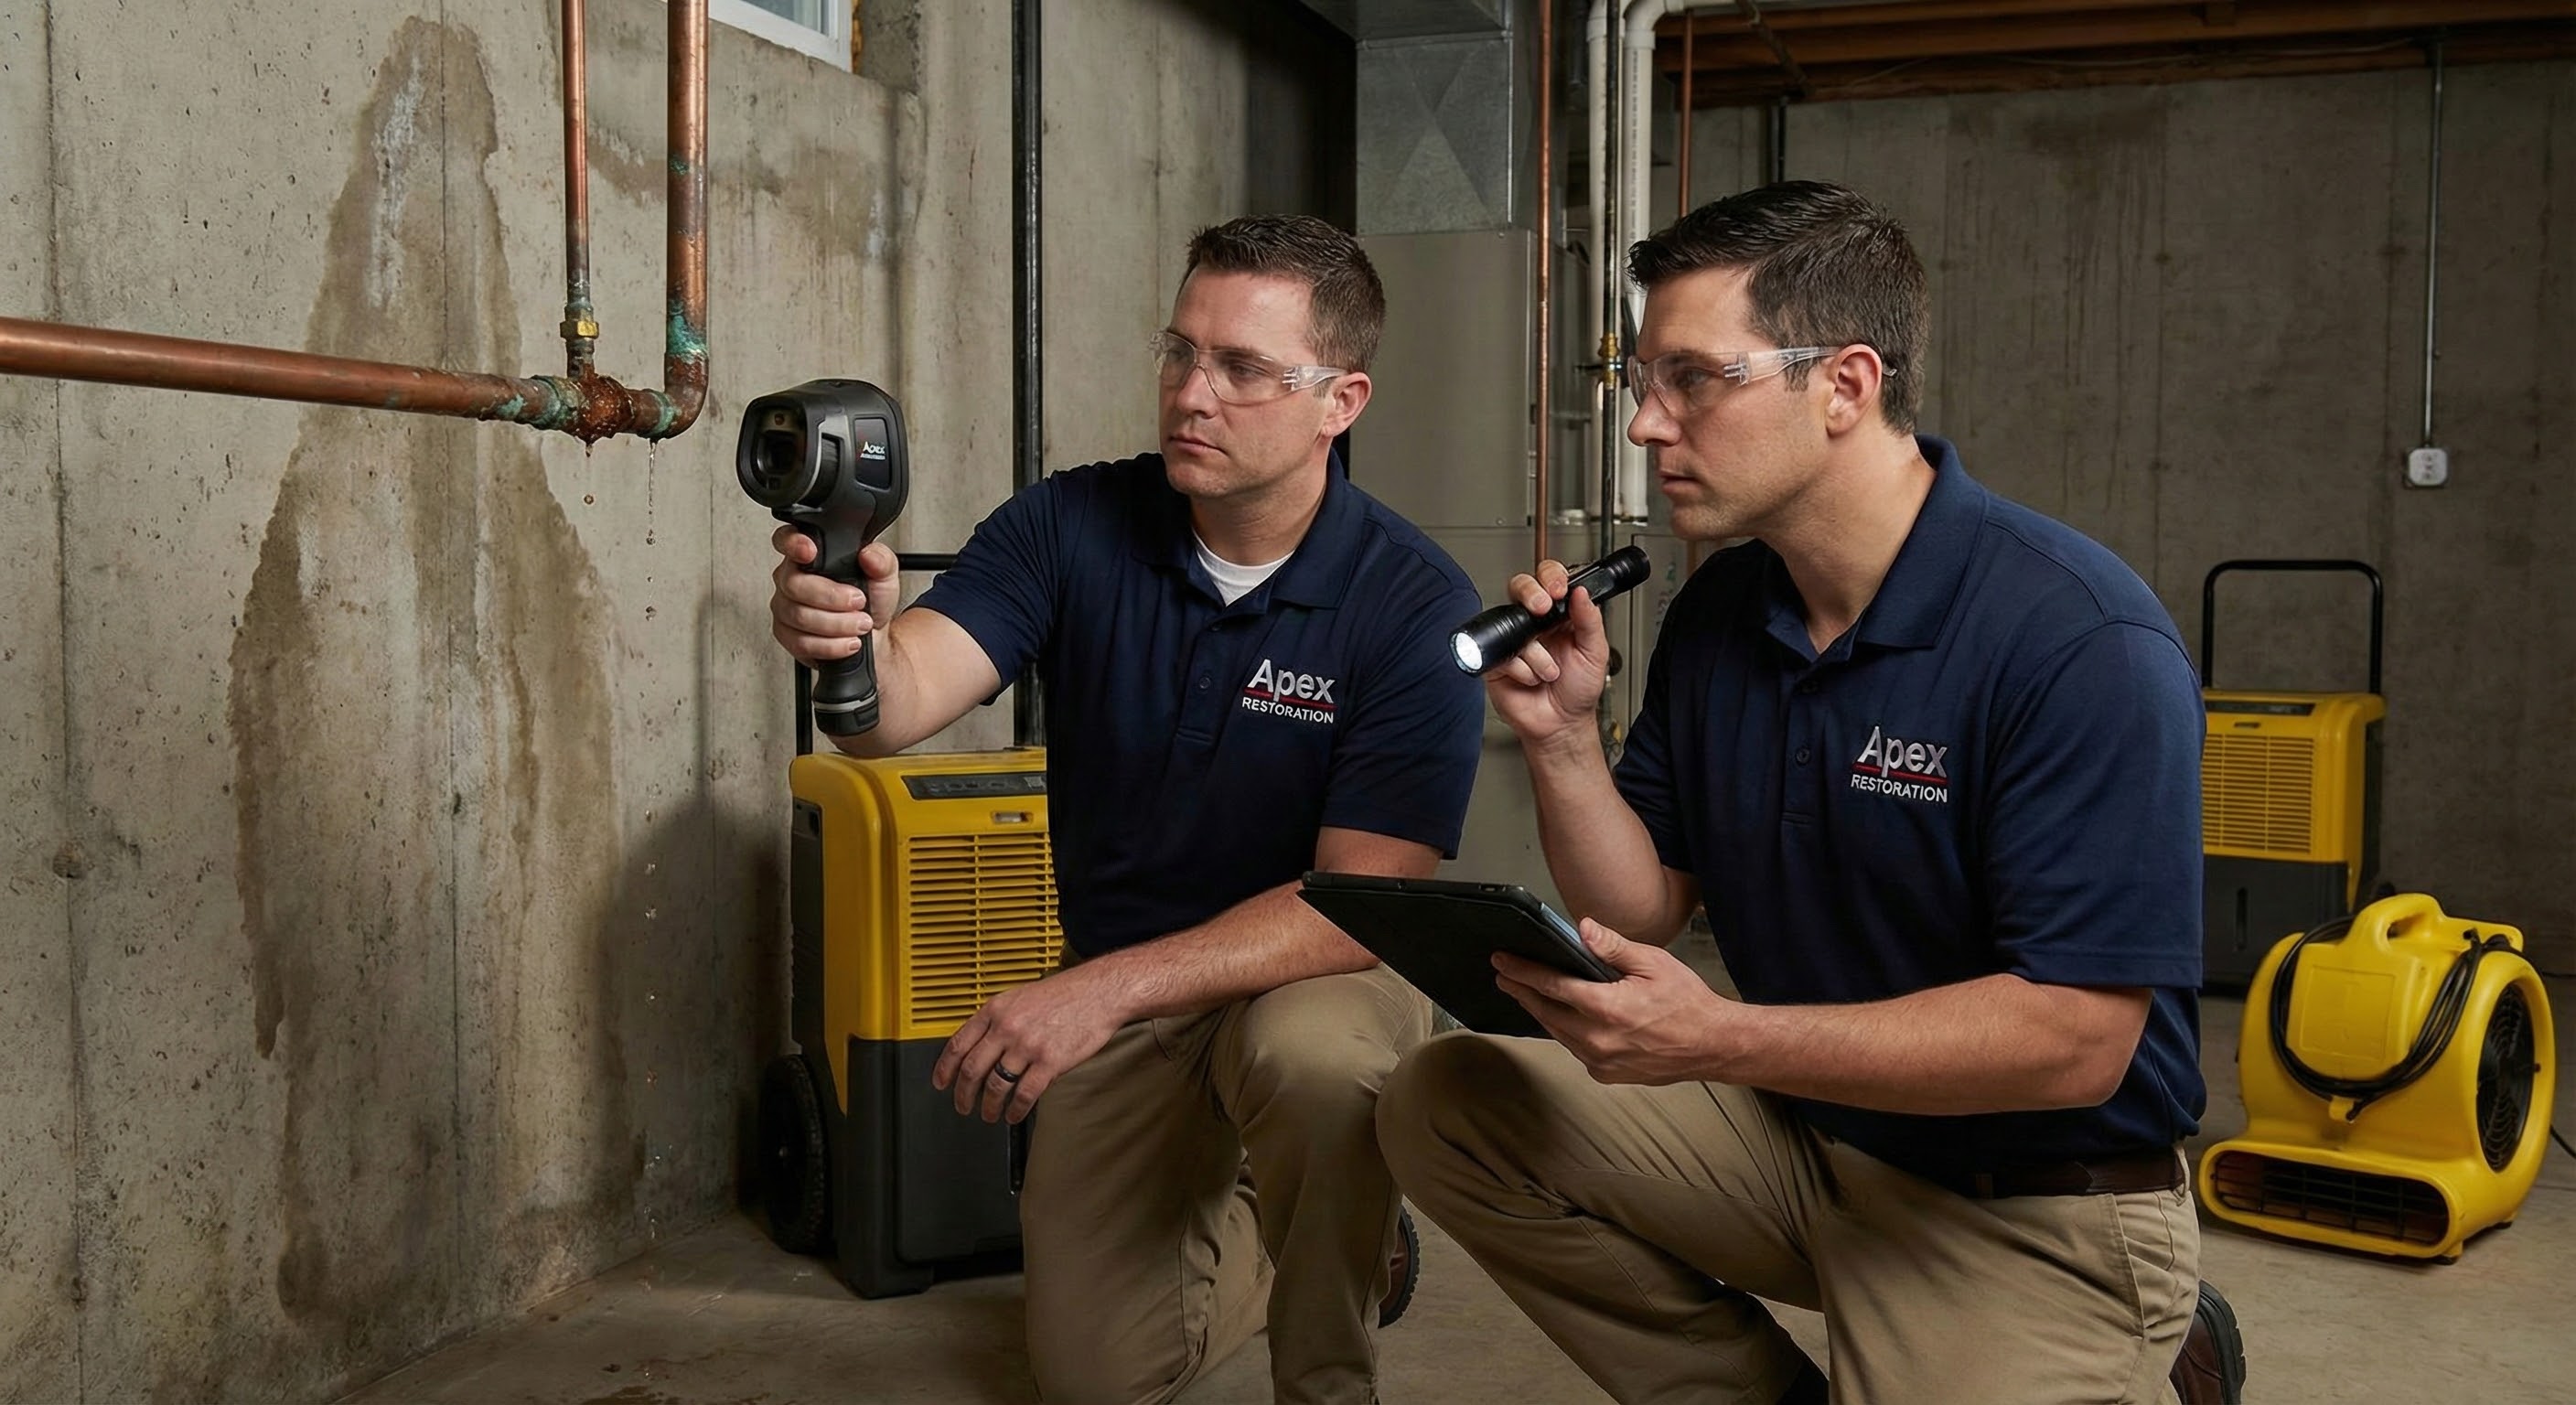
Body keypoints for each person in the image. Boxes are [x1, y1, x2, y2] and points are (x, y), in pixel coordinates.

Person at [1374, 181, 2248, 1405]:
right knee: (1450, 1098)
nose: (1643, 426)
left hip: (2028, 1206)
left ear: (1845, 386)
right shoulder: (1728, 609)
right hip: (1805, 1137)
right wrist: (1566, 739)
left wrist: (1720, 1038)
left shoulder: (2074, 639)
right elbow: (1649, 899)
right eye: (1641, 379)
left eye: (1692, 380)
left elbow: (2077, 1043)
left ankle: (2139, 1325)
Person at [766, 214, 1485, 1405]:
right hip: (1127, 988)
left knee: (1316, 1064)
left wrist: (1091, 989)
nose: (1192, 393)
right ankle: (1283, 1225)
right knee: (1098, 1379)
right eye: (1180, 351)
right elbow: (893, 710)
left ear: (1339, 401)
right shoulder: (1070, 525)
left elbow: (1366, 904)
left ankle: (1332, 1347)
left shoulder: (1413, 607)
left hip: (1311, 978)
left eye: (1244, 369)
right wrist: (844, 643)